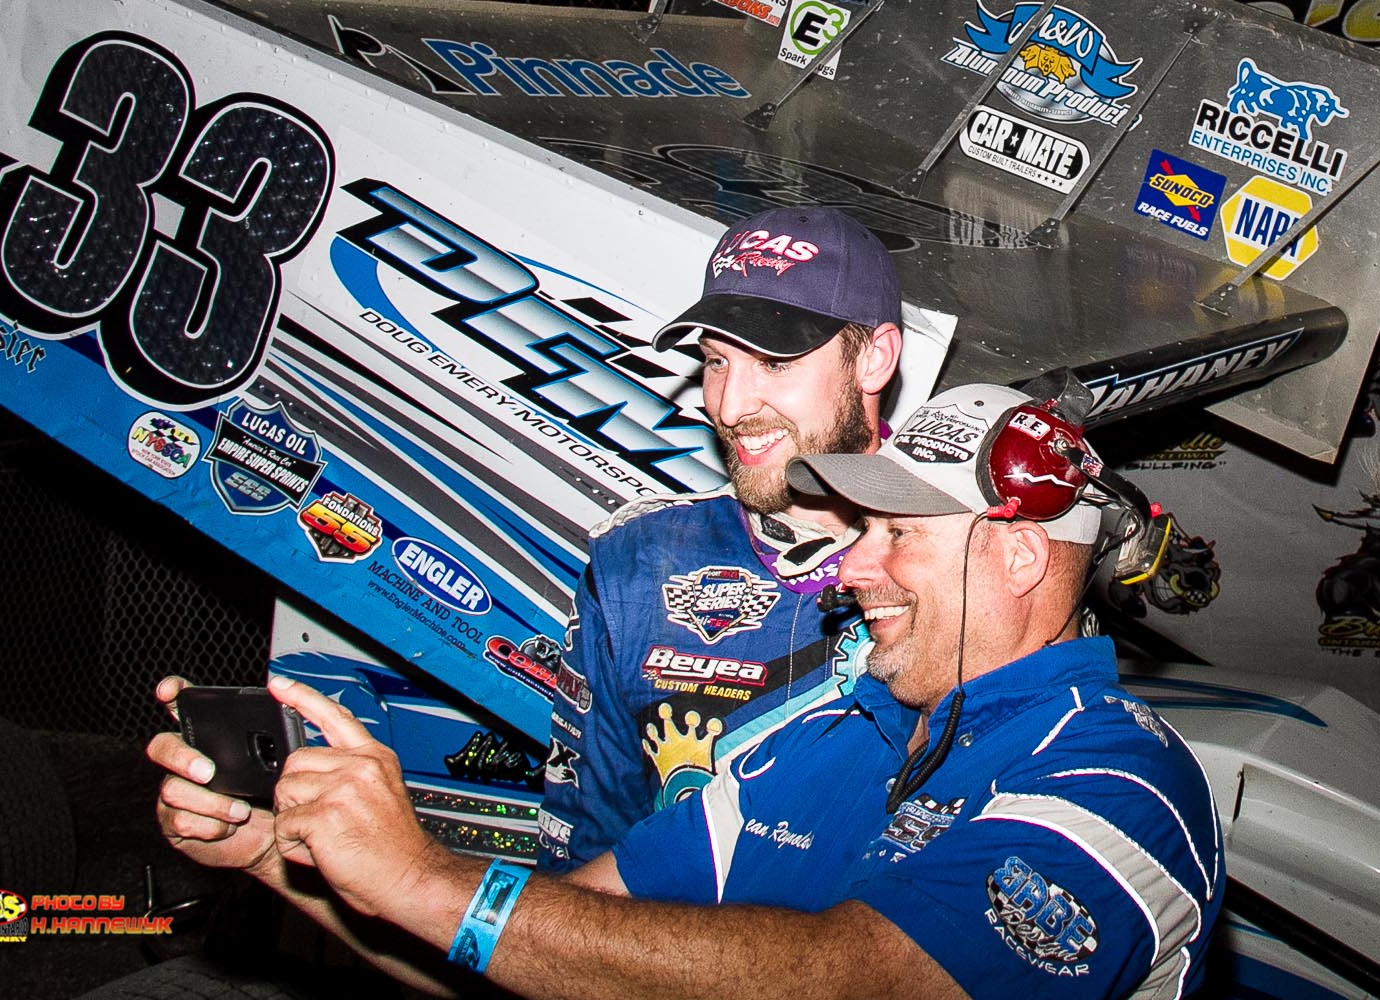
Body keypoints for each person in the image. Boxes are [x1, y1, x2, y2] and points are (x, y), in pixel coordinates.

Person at [151, 381, 1224, 998]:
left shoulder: (1121, 779)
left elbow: (856, 982)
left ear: (1021, 557)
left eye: (898, 535)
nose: (851, 565)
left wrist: (424, 878)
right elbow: (558, 947)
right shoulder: (826, 740)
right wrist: (296, 855)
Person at [537, 205, 904, 871]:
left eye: (774, 363)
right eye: (714, 361)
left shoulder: (970, 559)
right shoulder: (637, 564)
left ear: (873, 359)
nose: (729, 406)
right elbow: (580, 863)